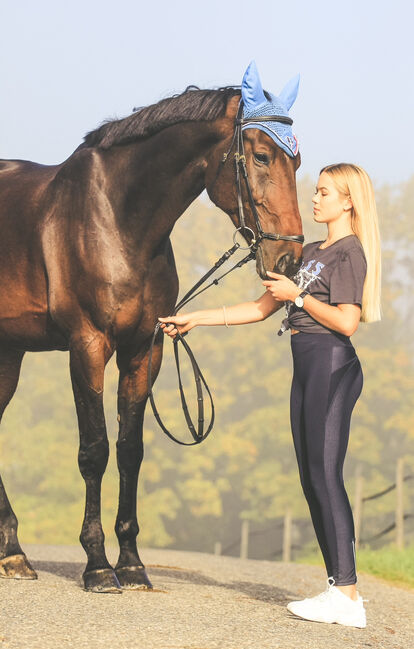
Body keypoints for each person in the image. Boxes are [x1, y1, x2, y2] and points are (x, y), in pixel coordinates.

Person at [159, 162, 381, 629]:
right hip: (306, 365)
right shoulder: (309, 250)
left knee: (326, 476)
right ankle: (338, 587)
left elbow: (347, 322)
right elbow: (260, 308)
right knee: (311, 478)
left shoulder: (349, 253)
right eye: (315, 191)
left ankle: (348, 595)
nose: (314, 199)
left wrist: (298, 297)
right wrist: (194, 319)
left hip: (332, 363)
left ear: (347, 201)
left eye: (323, 192)